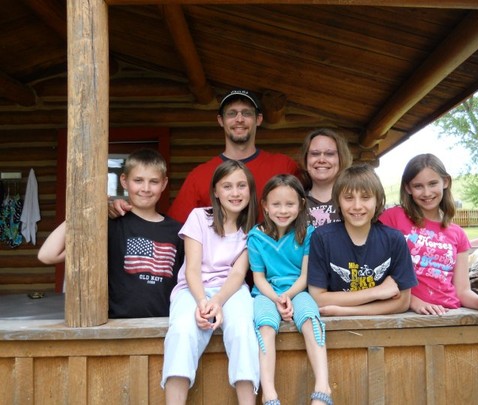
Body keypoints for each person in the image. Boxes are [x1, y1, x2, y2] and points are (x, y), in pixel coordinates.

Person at [110, 89, 299, 223]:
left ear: (258, 119)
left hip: (275, 267)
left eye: (247, 113)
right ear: (221, 120)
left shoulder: (284, 166)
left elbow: (312, 203)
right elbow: (174, 228)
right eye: (232, 113)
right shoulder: (200, 175)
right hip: (220, 269)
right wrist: (115, 207)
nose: (239, 119)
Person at [38, 148, 184, 318]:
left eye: (154, 181)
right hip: (116, 325)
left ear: (164, 184)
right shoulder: (109, 225)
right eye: (138, 180)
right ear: (124, 181)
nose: (145, 188)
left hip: (164, 324)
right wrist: (87, 210)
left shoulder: (178, 232)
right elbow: (47, 255)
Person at [161, 160, 260, 405]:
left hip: (231, 291)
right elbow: (192, 269)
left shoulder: (253, 230)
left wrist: (217, 300)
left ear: (250, 190)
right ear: (215, 191)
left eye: (241, 186)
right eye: (227, 186)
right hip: (193, 289)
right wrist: (202, 302)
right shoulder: (199, 218)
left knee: (243, 330)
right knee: (182, 330)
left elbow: (238, 274)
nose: (235, 193)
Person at [378, 153, 478, 328]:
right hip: (406, 316)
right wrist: (412, 301)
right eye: (418, 186)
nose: (426, 193)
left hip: (450, 316)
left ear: (445, 182)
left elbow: (463, 291)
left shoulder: (458, 234)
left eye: (432, 184)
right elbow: (375, 271)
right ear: (408, 188)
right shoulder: (393, 218)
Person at [248, 174, 332, 405]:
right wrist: (277, 298)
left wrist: (288, 296)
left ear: (301, 204)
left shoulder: (308, 233)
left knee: (311, 319)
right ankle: (269, 393)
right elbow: (258, 277)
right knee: (265, 324)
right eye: (276, 204)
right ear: (265, 205)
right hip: (266, 293)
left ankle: (323, 387)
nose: (283, 210)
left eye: (290, 204)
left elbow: (305, 276)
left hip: (299, 290)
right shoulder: (256, 237)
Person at [307, 164, 417, 316]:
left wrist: (345, 311)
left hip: (383, 327)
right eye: (348, 198)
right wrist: (377, 292)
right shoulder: (322, 238)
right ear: (338, 201)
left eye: (365, 197)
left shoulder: (394, 240)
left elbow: (403, 302)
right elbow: (318, 298)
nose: (357, 206)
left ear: (378, 200)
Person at [299, 128, 352, 227]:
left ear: (341, 159)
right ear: (306, 160)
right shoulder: (296, 203)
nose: (321, 160)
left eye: (329, 154)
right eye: (315, 154)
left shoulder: (354, 201)